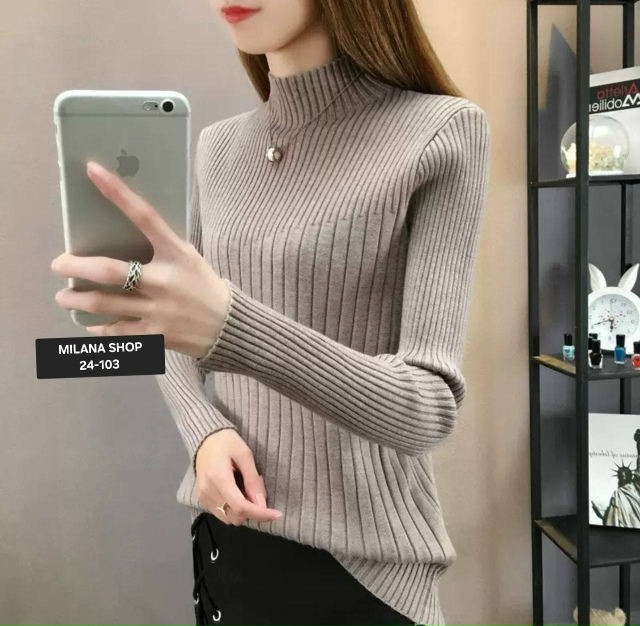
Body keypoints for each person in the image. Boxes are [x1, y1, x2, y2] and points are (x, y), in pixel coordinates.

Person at [51, 1, 491, 624]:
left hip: (363, 572)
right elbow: (169, 325)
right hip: (228, 543)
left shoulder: (441, 131)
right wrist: (204, 431)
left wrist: (229, 326)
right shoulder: (217, 148)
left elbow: (429, 406)